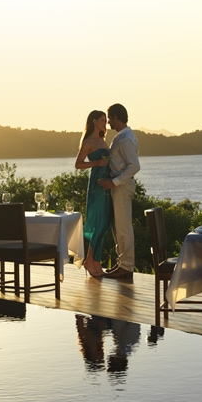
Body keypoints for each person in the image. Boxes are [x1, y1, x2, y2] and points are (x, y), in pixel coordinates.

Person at [98, 103, 140, 278]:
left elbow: (134, 166)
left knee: (123, 228)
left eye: (110, 118)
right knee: (118, 228)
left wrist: (114, 182)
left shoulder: (125, 139)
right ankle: (122, 263)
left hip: (122, 187)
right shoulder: (121, 137)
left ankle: (127, 266)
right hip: (118, 187)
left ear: (117, 117)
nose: (108, 122)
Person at [74, 109, 111, 278]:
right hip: (96, 186)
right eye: (103, 119)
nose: (105, 122)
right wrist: (96, 162)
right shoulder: (88, 141)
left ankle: (93, 261)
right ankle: (91, 262)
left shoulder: (103, 141)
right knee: (97, 223)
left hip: (107, 185)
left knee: (104, 224)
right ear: (94, 121)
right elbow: (78, 164)